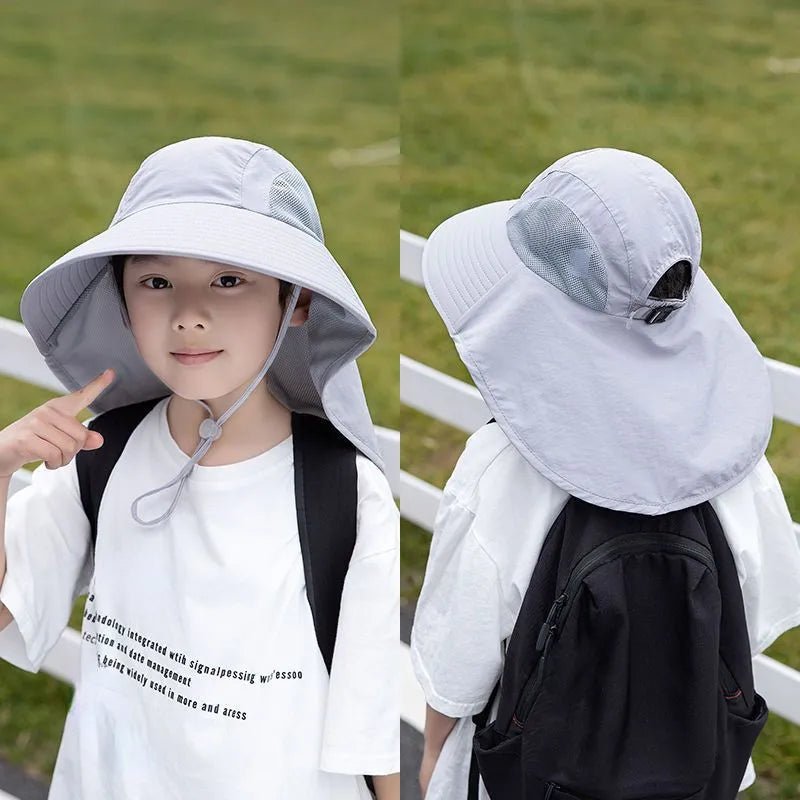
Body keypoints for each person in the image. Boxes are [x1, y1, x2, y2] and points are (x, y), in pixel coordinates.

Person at [0, 136, 400, 799]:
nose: (188, 316)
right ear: (123, 302)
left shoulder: (347, 494)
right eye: (157, 282)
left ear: (295, 301)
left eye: (229, 279)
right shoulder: (106, 452)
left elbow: (368, 723)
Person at [410, 148, 800, 798]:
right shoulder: (736, 462)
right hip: (701, 770)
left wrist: (430, 760)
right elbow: (758, 618)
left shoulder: (502, 473)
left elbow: (454, 669)